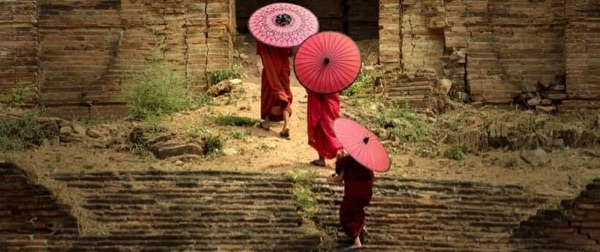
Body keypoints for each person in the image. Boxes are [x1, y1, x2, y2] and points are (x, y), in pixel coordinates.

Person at [327, 152, 374, 249]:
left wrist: (331, 178)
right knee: (358, 210)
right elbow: (372, 178)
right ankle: (362, 228)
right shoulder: (366, 161)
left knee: (346, 214)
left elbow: (339, 178)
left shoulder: (347, 160)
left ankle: (356, 241)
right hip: (365, 194)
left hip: (353, 193)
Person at [255, 40, 294, 139]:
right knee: (284, 93)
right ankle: (286, 124)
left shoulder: (263, 34)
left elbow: (260, 52)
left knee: (267, 93)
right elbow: (290, 52)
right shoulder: (285, 33)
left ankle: (267, 122)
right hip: (284, 68)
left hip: (270, 68)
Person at [307, 90, 343, 166]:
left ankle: (321, 159)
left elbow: (308, 89)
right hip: (332, 102)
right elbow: (340, 89)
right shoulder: (334, 79)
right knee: (332, 128)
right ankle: (338, 150)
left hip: (316, 101)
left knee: (319, 130)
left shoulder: (314, 79)